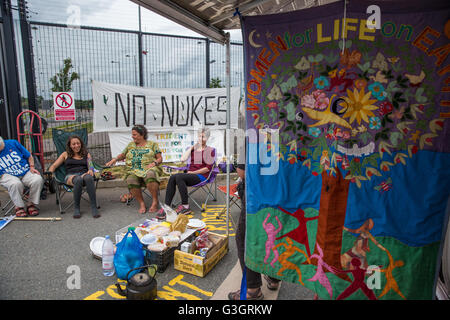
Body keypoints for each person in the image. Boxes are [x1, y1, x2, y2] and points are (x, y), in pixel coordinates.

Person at [228, 163, 281, 300]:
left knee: (245, 238)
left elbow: (242, 171)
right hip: (280, 185)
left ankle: (252, 290)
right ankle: (274, 277)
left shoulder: (252, 141)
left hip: (257, 188)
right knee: (273, 234)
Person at [157, 128, 215, 220]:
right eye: (199, 136)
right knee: (173, 177)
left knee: (179, 177)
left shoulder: (210, 150)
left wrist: (193, 172)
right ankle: (167, 207)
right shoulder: (193, 149)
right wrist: (192, 148)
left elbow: (207, 169)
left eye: (203, 136)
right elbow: (182, 159)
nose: (200, 138)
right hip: (189, 176)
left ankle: (185, 206)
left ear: (207, 138)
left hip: (201, 176)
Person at [106, 125, 163, 214]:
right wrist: (115, 159)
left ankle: (155, 201)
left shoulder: (152, 144)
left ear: (142, 134)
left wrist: (154, 163)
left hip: (149, 168)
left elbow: (160, 158)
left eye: (135, 134)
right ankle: (141, 203)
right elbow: (123, 154)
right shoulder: (130, 145)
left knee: (150, 174)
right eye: (132, 134)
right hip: (133, 170)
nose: (132, 136)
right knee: (131, 178)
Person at [48, 135, 100, 219]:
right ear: (70, 145)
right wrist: (49, 173)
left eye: (78, 143)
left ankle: (94, 207)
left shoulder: (86, 154)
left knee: (89, 177)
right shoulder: (65, 154)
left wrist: (90, 170)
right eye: (73, 144)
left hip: (84, 174)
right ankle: (77, 208)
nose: (76, 146)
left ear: (81, 144)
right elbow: (54, 165)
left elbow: (90, 165)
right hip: (70, 176)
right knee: (78, 179)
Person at [0, 136, 44, 217]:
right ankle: (19, 207)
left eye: (1, 148)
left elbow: (29, 156)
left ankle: (31, 203)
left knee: (38, 179)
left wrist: (32, 166)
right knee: (15, 183)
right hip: (6, 174)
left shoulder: (13, 143)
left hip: (24, 170)